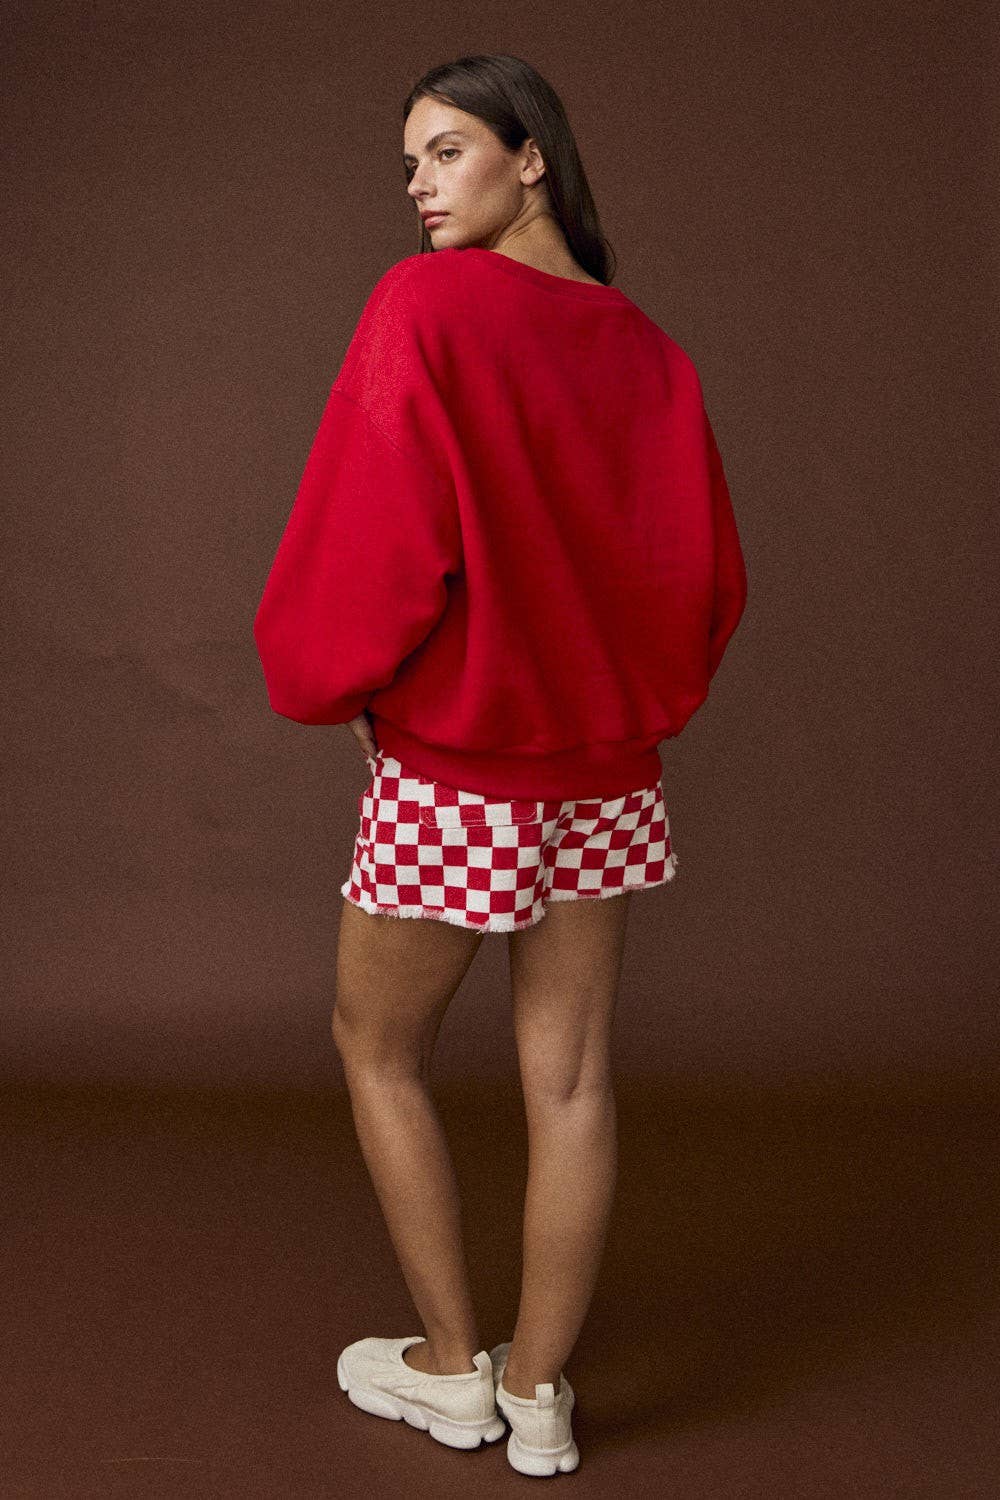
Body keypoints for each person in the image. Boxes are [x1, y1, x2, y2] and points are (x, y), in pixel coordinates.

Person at [253, 52, 747, 1477]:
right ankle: (542, 1398)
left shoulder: (426, 306)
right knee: (573, 1082)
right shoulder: (650, 350)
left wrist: (339, 682)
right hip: (607, 779)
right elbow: (703, 578)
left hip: (461, 772)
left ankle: (451, 1370)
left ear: (534, 156)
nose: (418, 185)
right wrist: (618, 705)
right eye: (408, 162)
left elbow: (372, 530)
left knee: (374, 1045)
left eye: (447, 149)